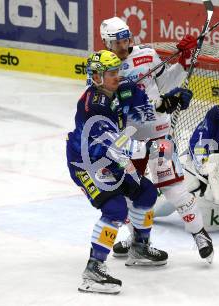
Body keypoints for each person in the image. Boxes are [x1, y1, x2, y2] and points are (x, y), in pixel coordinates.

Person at [66, 50, 193, 294]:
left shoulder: (122, 89)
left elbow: (147, 111)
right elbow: (118, 147)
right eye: (112, 73)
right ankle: (93, 269)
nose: (118, 76)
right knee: (115, 209)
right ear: (97, 77)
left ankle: (139, 248)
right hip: (89, 163)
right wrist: (154, 147)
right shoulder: (94, 107)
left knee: (146, 193)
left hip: (113, 158)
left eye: (118, 71)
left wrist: (168, 102)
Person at [98, 16, 214, 263]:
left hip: (159, 133)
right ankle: (137, 240)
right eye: (117, 42)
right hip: (128, 143)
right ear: (106, 43)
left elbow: (166, 82)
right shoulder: (103, 68)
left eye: (126, 38)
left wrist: (183, 60)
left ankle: (200, 234)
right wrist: (157, 103)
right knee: (131, 195)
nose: (123, 45)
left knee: (175, 189)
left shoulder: (147, 56)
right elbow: (111, 106)